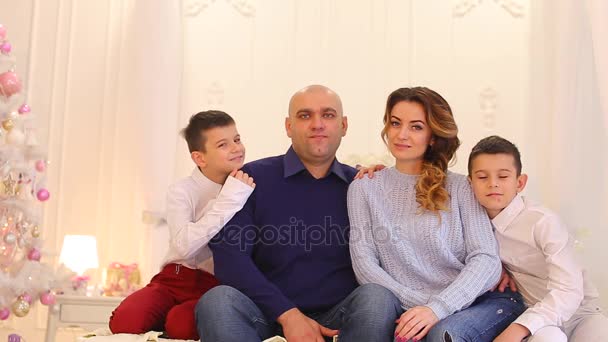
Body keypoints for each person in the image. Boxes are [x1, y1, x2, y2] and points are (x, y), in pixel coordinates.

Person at [195, 85, 401, 342]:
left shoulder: (361, 185)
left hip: (340, 317)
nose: (317, 124)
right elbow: (230, 260)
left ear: (344, 125)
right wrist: (288, 315)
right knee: (217, 301)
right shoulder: (250, 179)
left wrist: (389, 181)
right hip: (267, 313)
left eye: (328, 115)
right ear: (289, 126)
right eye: (305, 116)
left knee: (377, 298)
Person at [347, 87, 526, 342]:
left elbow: (485, 257)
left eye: (416, 127)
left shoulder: (461, 186)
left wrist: (438, 308)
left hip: (478, 302)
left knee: (441, 334)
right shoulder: (364, 188)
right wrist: (422, 306)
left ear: (433, 136)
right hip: (412, 307)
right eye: (395, 123)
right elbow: (365, 265)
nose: (401, 134)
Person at [109, 110, 255, 340]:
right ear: (200, 158)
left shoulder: (247, 186)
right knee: (125, 321)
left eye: (237, 140)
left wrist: (236, 195)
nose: (237, 148)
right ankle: (158, 316)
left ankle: (169, 321)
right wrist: (228, 200)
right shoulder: (182, 191)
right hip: (174, 278)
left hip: (213, 286)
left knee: (182, 327)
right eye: (223, 145)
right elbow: (183, 247)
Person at [468, 135, 608, 342]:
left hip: (579, 313)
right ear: (470, 183)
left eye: (503, 176)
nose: (493, 184)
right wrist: (497, 267)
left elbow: (569, 289)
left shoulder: (543, 221)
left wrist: (518, 327)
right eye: (482, 177)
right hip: (535, 317)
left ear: (520, 182)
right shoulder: (471, 222)